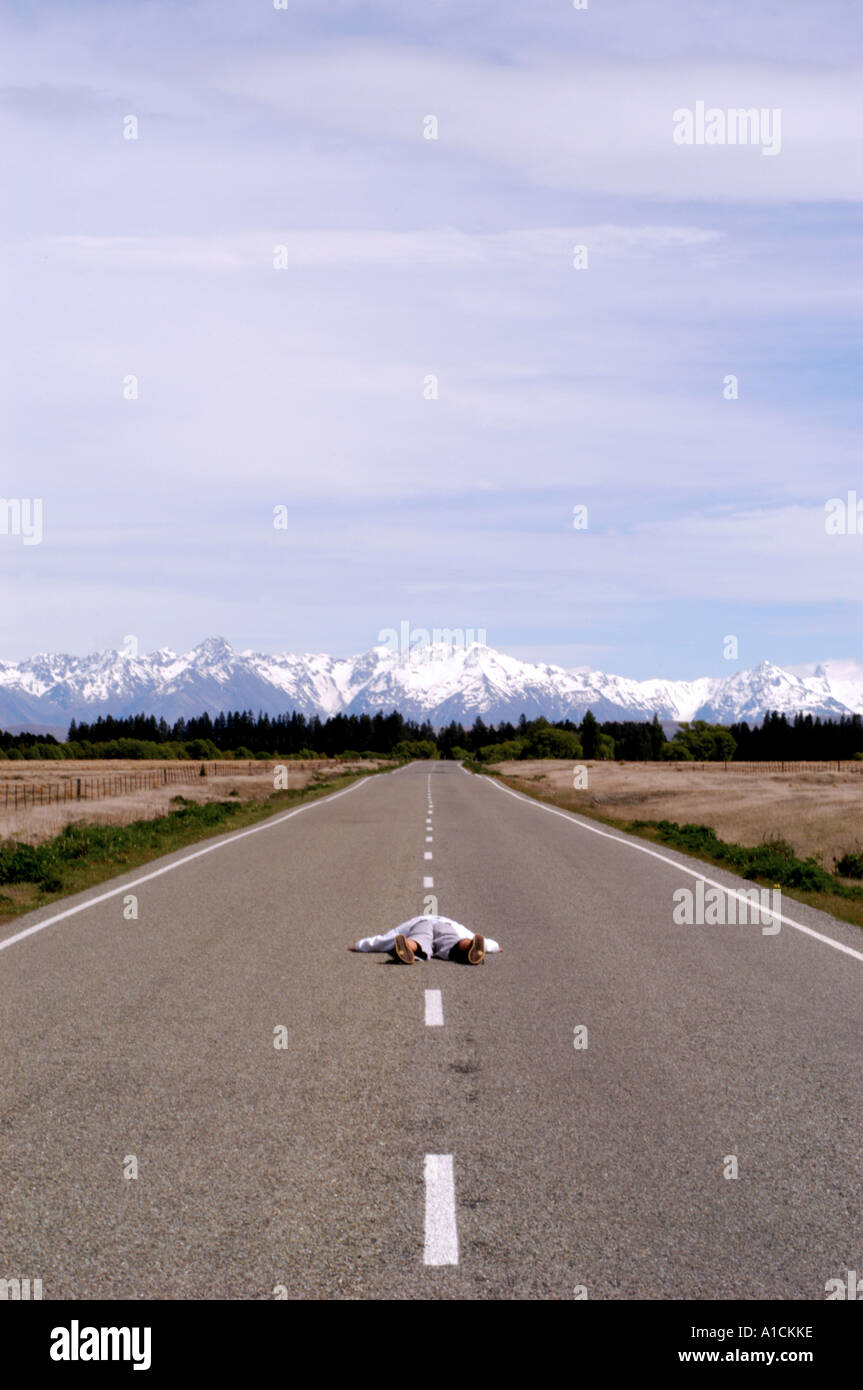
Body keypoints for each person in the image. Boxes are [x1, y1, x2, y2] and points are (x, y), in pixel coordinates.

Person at [348, 914, 502, 964]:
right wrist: (492, 946)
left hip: (420, 925)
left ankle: (409, 945)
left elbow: (387, 937)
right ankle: (469, 947)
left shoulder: (415, 921)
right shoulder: (450, 922)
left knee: (419, 938)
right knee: (453, 941)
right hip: (446, 926)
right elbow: (469, 934)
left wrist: (361, 945)